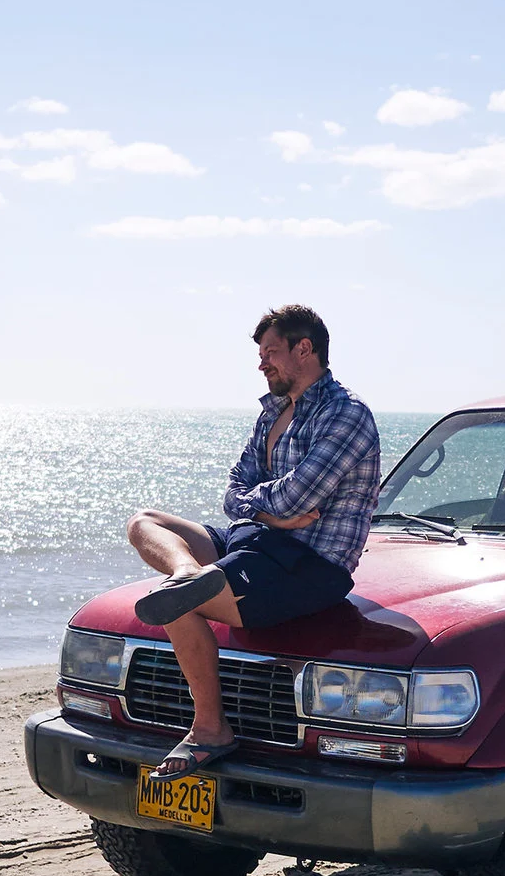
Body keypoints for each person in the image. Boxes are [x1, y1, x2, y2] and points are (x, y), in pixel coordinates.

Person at [122, 305, 380, 778]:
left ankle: (210, 729)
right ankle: (187, 572)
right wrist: (269, 515)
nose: (261, 363)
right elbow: (233, 492)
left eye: (270, 352)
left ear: (305, 349)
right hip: (256, 540)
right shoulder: (273, 412)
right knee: (144, 522)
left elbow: (296, 495)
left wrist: (265, 509)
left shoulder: (346, 414)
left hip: (307, 563)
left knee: (177, 603)